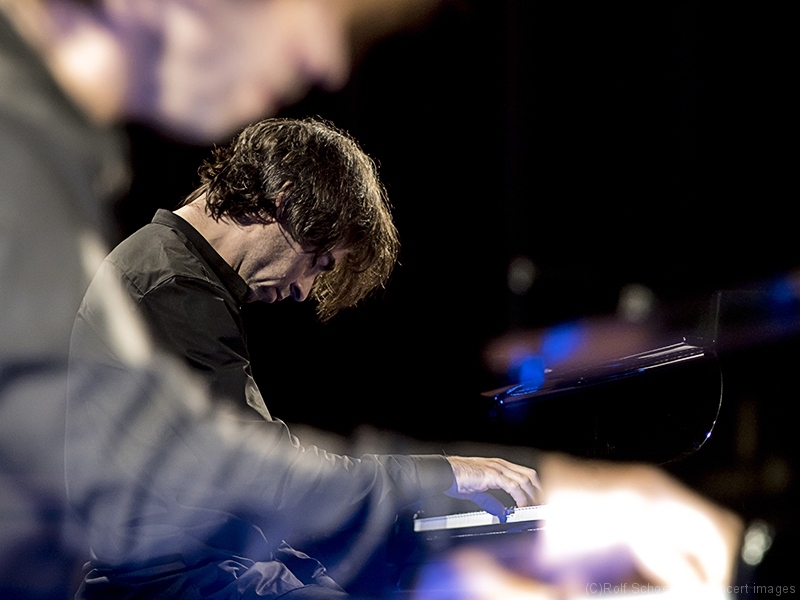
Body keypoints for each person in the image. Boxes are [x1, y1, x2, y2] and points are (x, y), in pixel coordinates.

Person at [0, 0, 744, 598]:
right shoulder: (170, 284)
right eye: (319, 262)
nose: (304, 290)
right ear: (289, 202)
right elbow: (260, 475)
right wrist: (448, 473)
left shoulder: (173, 273)